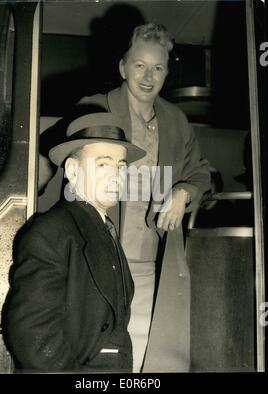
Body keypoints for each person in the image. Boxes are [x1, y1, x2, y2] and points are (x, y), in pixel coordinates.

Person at [79, 23, 211, 372]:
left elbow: (199, 172)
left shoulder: (176, 120)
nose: (149, 76)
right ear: (123, 67)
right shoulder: (95, 108)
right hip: (99, 258)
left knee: (143, 356)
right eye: (140, 65)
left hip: (152, 262)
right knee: (97, 357)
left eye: (159, 67)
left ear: (168, 71)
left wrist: (183, 193)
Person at [3, 112, 146, 373]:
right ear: (72, 170)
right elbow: (32, 334)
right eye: (103, 164)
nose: (116, 175)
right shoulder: (51, 231)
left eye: (121, 166)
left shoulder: (103, 228)